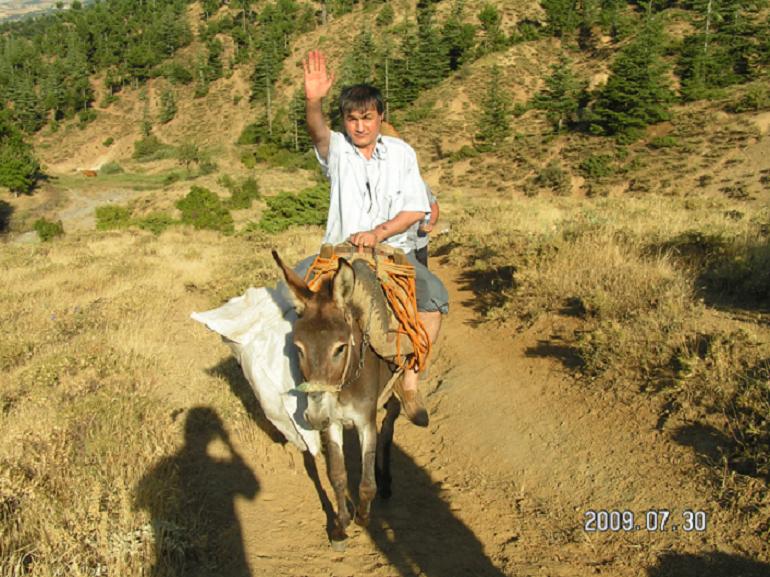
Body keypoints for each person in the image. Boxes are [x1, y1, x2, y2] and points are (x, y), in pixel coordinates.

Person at [303, 49, 448, 427]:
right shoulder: (336, 150)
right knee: (297, 302)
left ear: (381, 117)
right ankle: (307, 389)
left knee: (433, 301)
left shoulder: (402, 154)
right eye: (352, 119)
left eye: (367, 118)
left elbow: (415, 209)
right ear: (345, 122)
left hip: (392, 253)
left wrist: (378, 233)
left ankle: (410, 384)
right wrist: (313, 100)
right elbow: (317, 131)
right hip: (341, 253)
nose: (360, 126)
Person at [380, 121, 440, 268]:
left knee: (426, 287)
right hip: (384, 248)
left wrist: (429, 223)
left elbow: (433, 205)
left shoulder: (417, 183)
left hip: (416, 244)